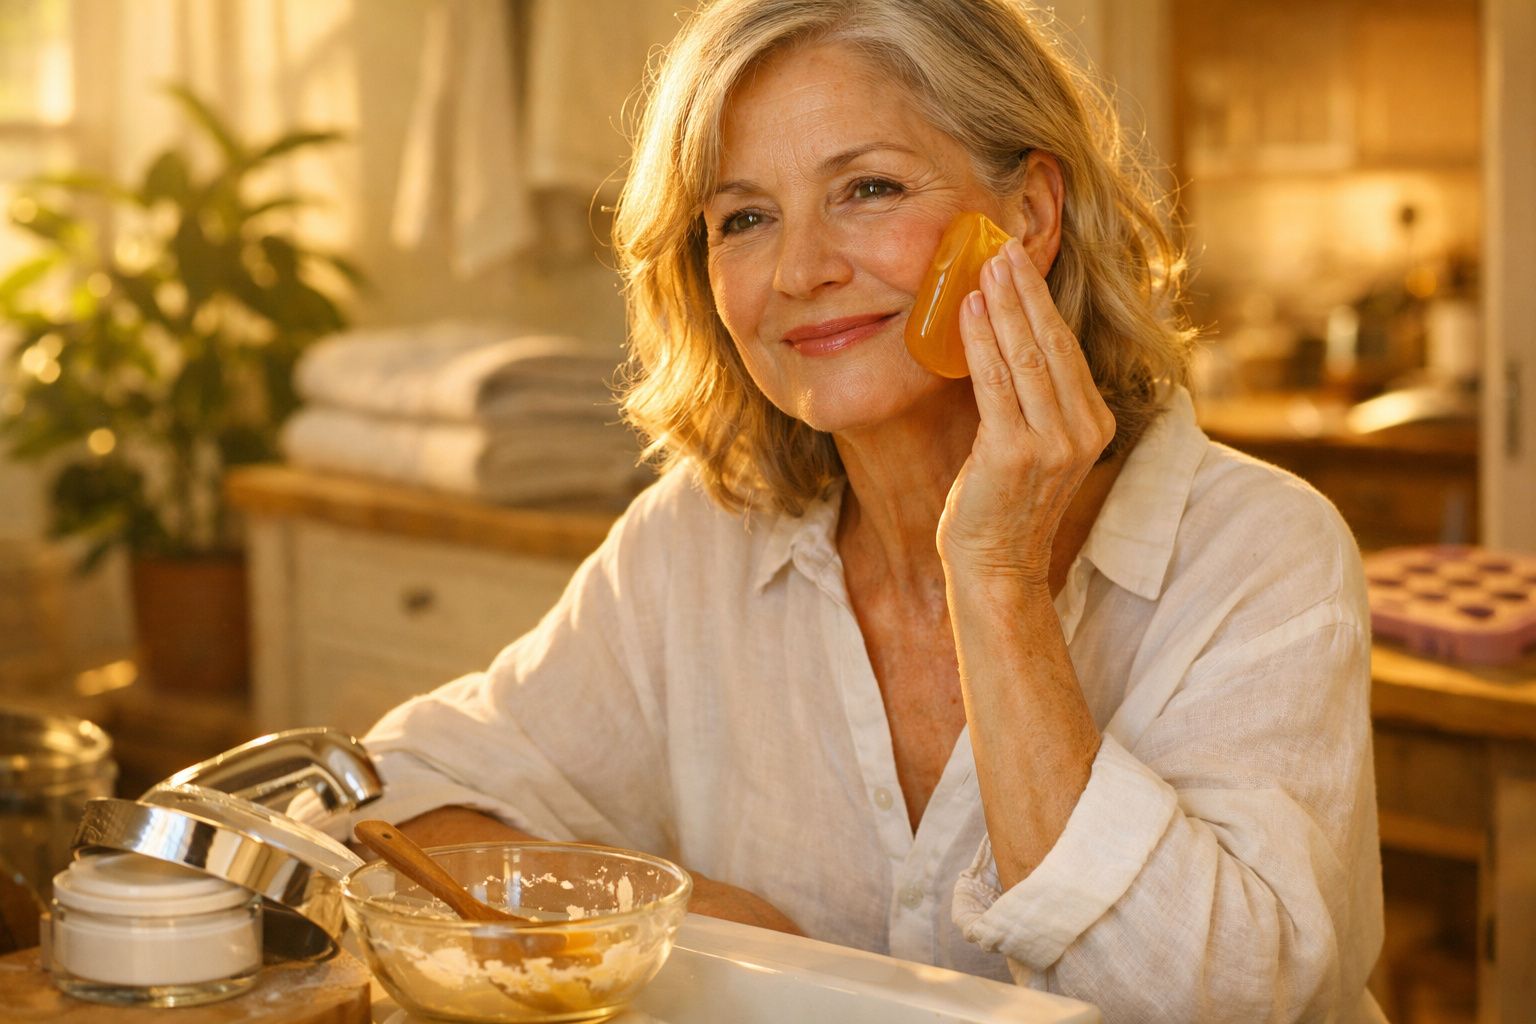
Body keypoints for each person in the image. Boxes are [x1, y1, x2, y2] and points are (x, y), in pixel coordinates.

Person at [359, 0, 1385, 1019]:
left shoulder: (1258, 552)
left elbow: (1228, 1004)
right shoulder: (700, 539)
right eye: (745, 218)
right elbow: (389, 795)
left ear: (1027, 216)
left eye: (869, 188)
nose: (802, 270)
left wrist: (998, 582)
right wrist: (674, 915)